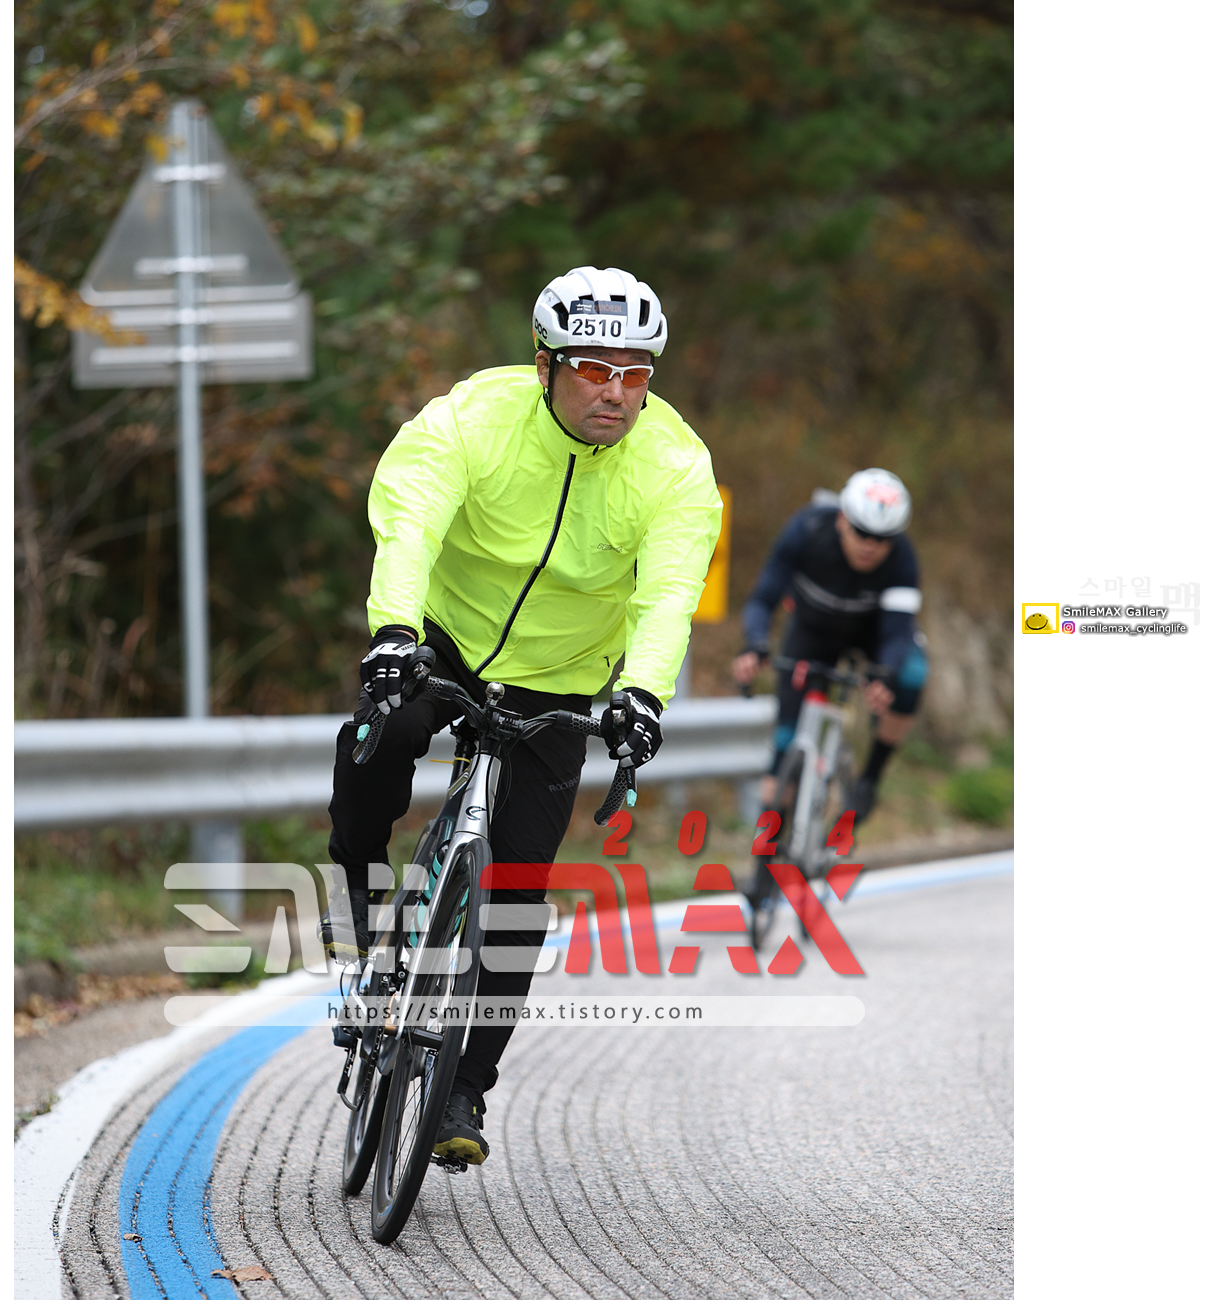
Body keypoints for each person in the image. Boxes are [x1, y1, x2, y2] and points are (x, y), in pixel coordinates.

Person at [325, 266, 721, 1167]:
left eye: (634, 373)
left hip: (559, 676)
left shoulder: (675, 466)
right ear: (544, 366)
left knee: (519, 890)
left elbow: (668, 594)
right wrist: (393, 633)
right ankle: (358, 907)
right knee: (384, 734)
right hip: (445, 636)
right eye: (593, 370)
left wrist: (643, 695)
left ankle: (463, 1089)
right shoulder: (476, 418)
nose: (615, 392)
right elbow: (412, 520)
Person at [731, 468, 927, 824]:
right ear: (842, 519)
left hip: (872, 634)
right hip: (812, 632)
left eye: (883, 539)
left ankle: (870, 780)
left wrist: (886, 674)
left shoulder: (903, 559)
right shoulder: (806, 530)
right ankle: (767, 848)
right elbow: (763, 598)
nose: (870, 546)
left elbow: (899, 631)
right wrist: (755, 644)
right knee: (785, 741)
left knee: (912, 672)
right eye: (862, 533)